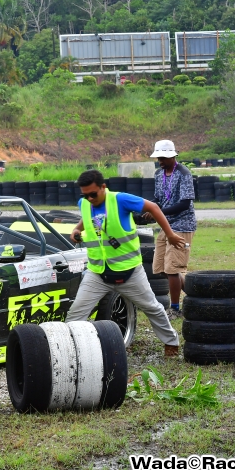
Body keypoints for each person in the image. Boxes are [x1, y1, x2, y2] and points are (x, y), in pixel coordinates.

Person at [67, 169, 185, 357]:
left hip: (129, 272)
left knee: (153, 308)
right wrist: (76, 230)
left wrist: (170, 234)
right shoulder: (84, 203)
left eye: (93, 194)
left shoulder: (120, 200)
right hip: (97, 273)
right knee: (76, 313)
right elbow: (87, 218)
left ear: (103, 187)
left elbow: (153, 207)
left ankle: (171, 344)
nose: (89, 198)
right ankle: (68, 351)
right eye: (85, 195)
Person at [145, 139, 197, 318]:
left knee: (172, 269)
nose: (160, 161)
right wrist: (149, 211)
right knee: (160, 268)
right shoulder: (159, 174)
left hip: (182, 224)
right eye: (158, 157)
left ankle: (175, 309)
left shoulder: (183, 173)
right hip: (166, 225)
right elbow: (158, 199)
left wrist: (158, 212)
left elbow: (185, 203)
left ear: (172, 156)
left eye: (163, 157)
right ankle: (196, 294)